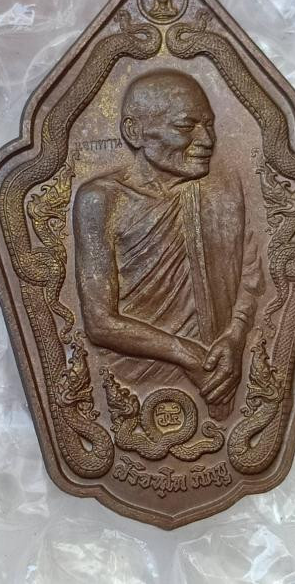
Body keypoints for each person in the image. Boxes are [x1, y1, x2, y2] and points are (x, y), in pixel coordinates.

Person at [73, 70, 264, 419]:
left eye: (209, 125)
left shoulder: (222, 193)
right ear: (134, 132)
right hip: (135, 383)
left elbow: (250, 276)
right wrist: (188, 354)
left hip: (217, 368)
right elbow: (99, 323)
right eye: (185, 126)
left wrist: (235, 337)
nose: (207, 140)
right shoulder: (102, 200)